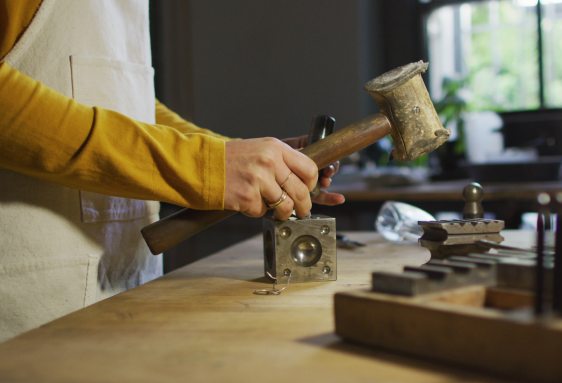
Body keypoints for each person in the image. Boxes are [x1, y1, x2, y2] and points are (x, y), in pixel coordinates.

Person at [0, 0, 344, 342]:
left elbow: (116, 96)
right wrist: (204, 167)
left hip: (121, 296)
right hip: (25, 319)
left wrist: (234, 157)